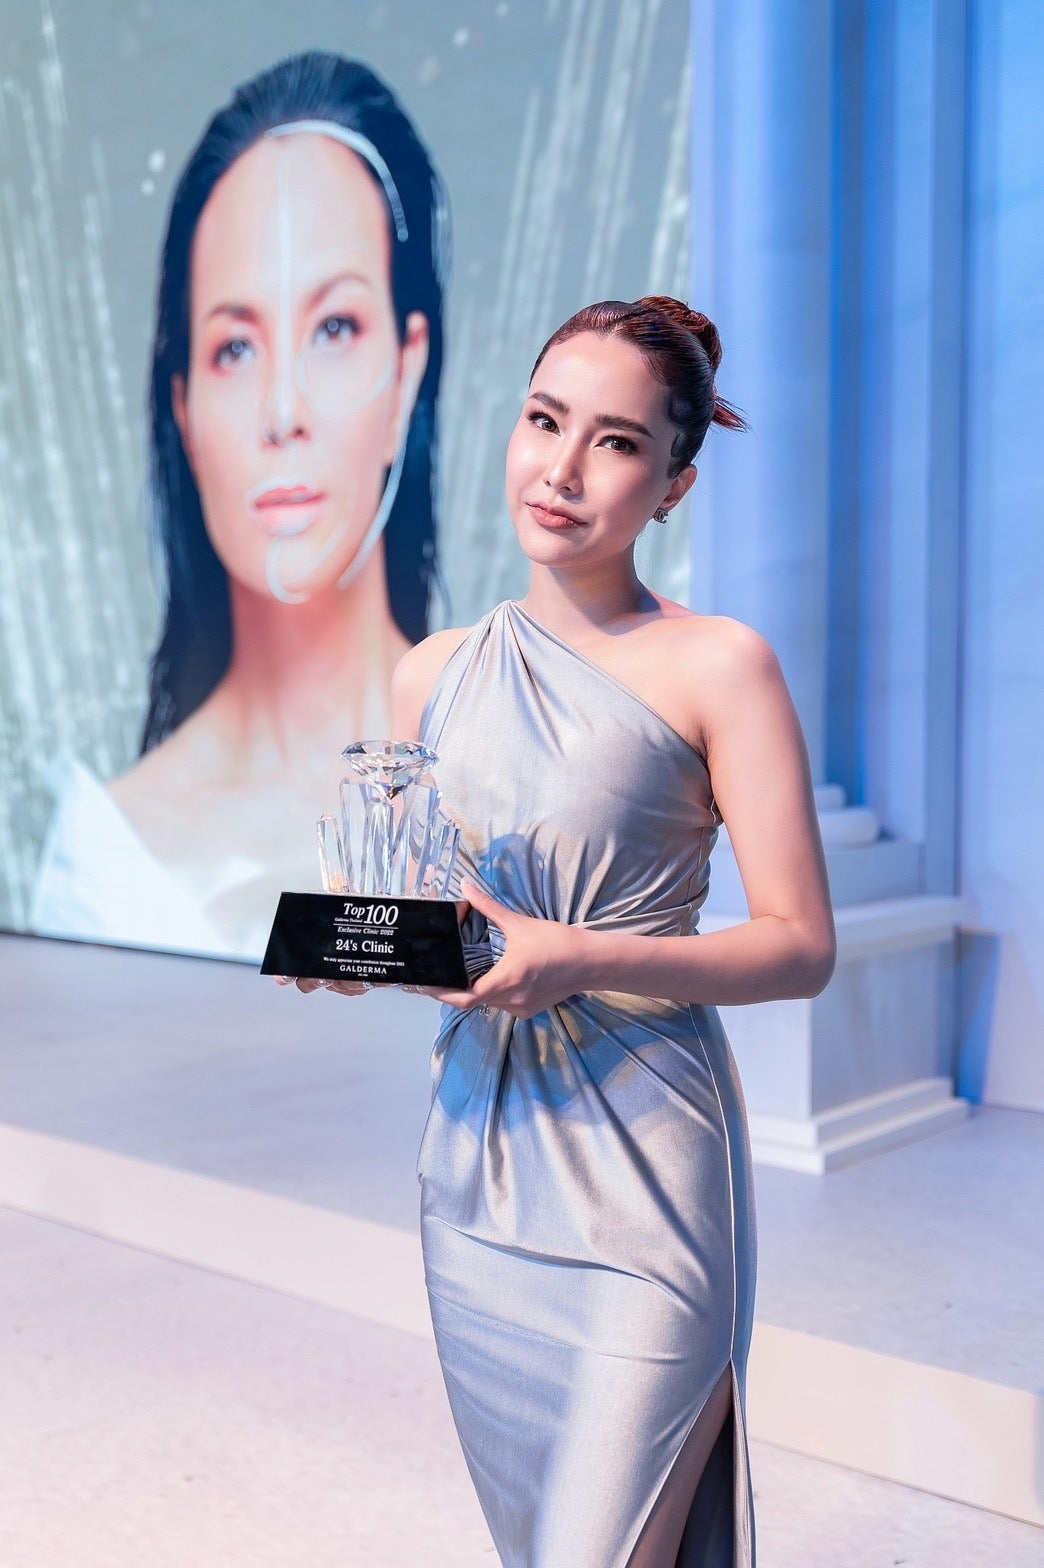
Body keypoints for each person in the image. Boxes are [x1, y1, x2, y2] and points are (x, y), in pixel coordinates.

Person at [291, 296, 836, 1565]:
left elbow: (800, 943)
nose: (563, 466)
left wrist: (577, 954)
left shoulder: (720, 665)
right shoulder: (432, 671)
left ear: (675, 482)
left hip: (648, 1170)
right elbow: (448, 925)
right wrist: (358, 945)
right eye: (545, 420)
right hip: (480, 1165)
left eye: (616, 441)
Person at [31, 51, 448, 961]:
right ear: (182, 408)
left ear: (408, 368)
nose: (283, 413)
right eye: (234, 348)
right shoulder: (111, 858)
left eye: (335, 328)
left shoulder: (513, 766)